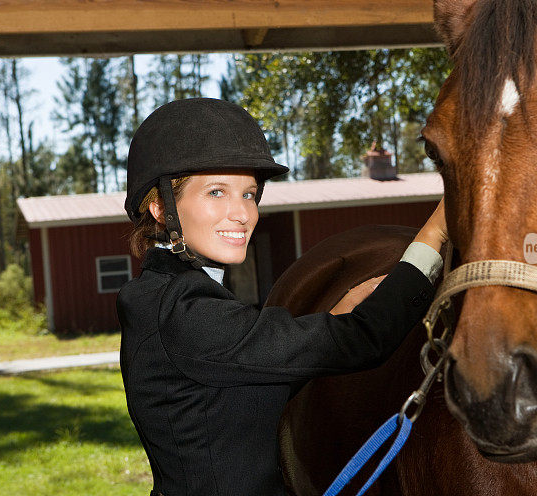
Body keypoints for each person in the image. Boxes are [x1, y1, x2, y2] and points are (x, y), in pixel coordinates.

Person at [117, 98, 447, 496]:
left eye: (249, 194)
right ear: (159, 207)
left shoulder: (163, 295)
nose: (242, 213)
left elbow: (236, 395)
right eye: (217, 192)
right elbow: (366, 338)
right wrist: (437, 229)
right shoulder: (185, 311)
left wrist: (334, 317)